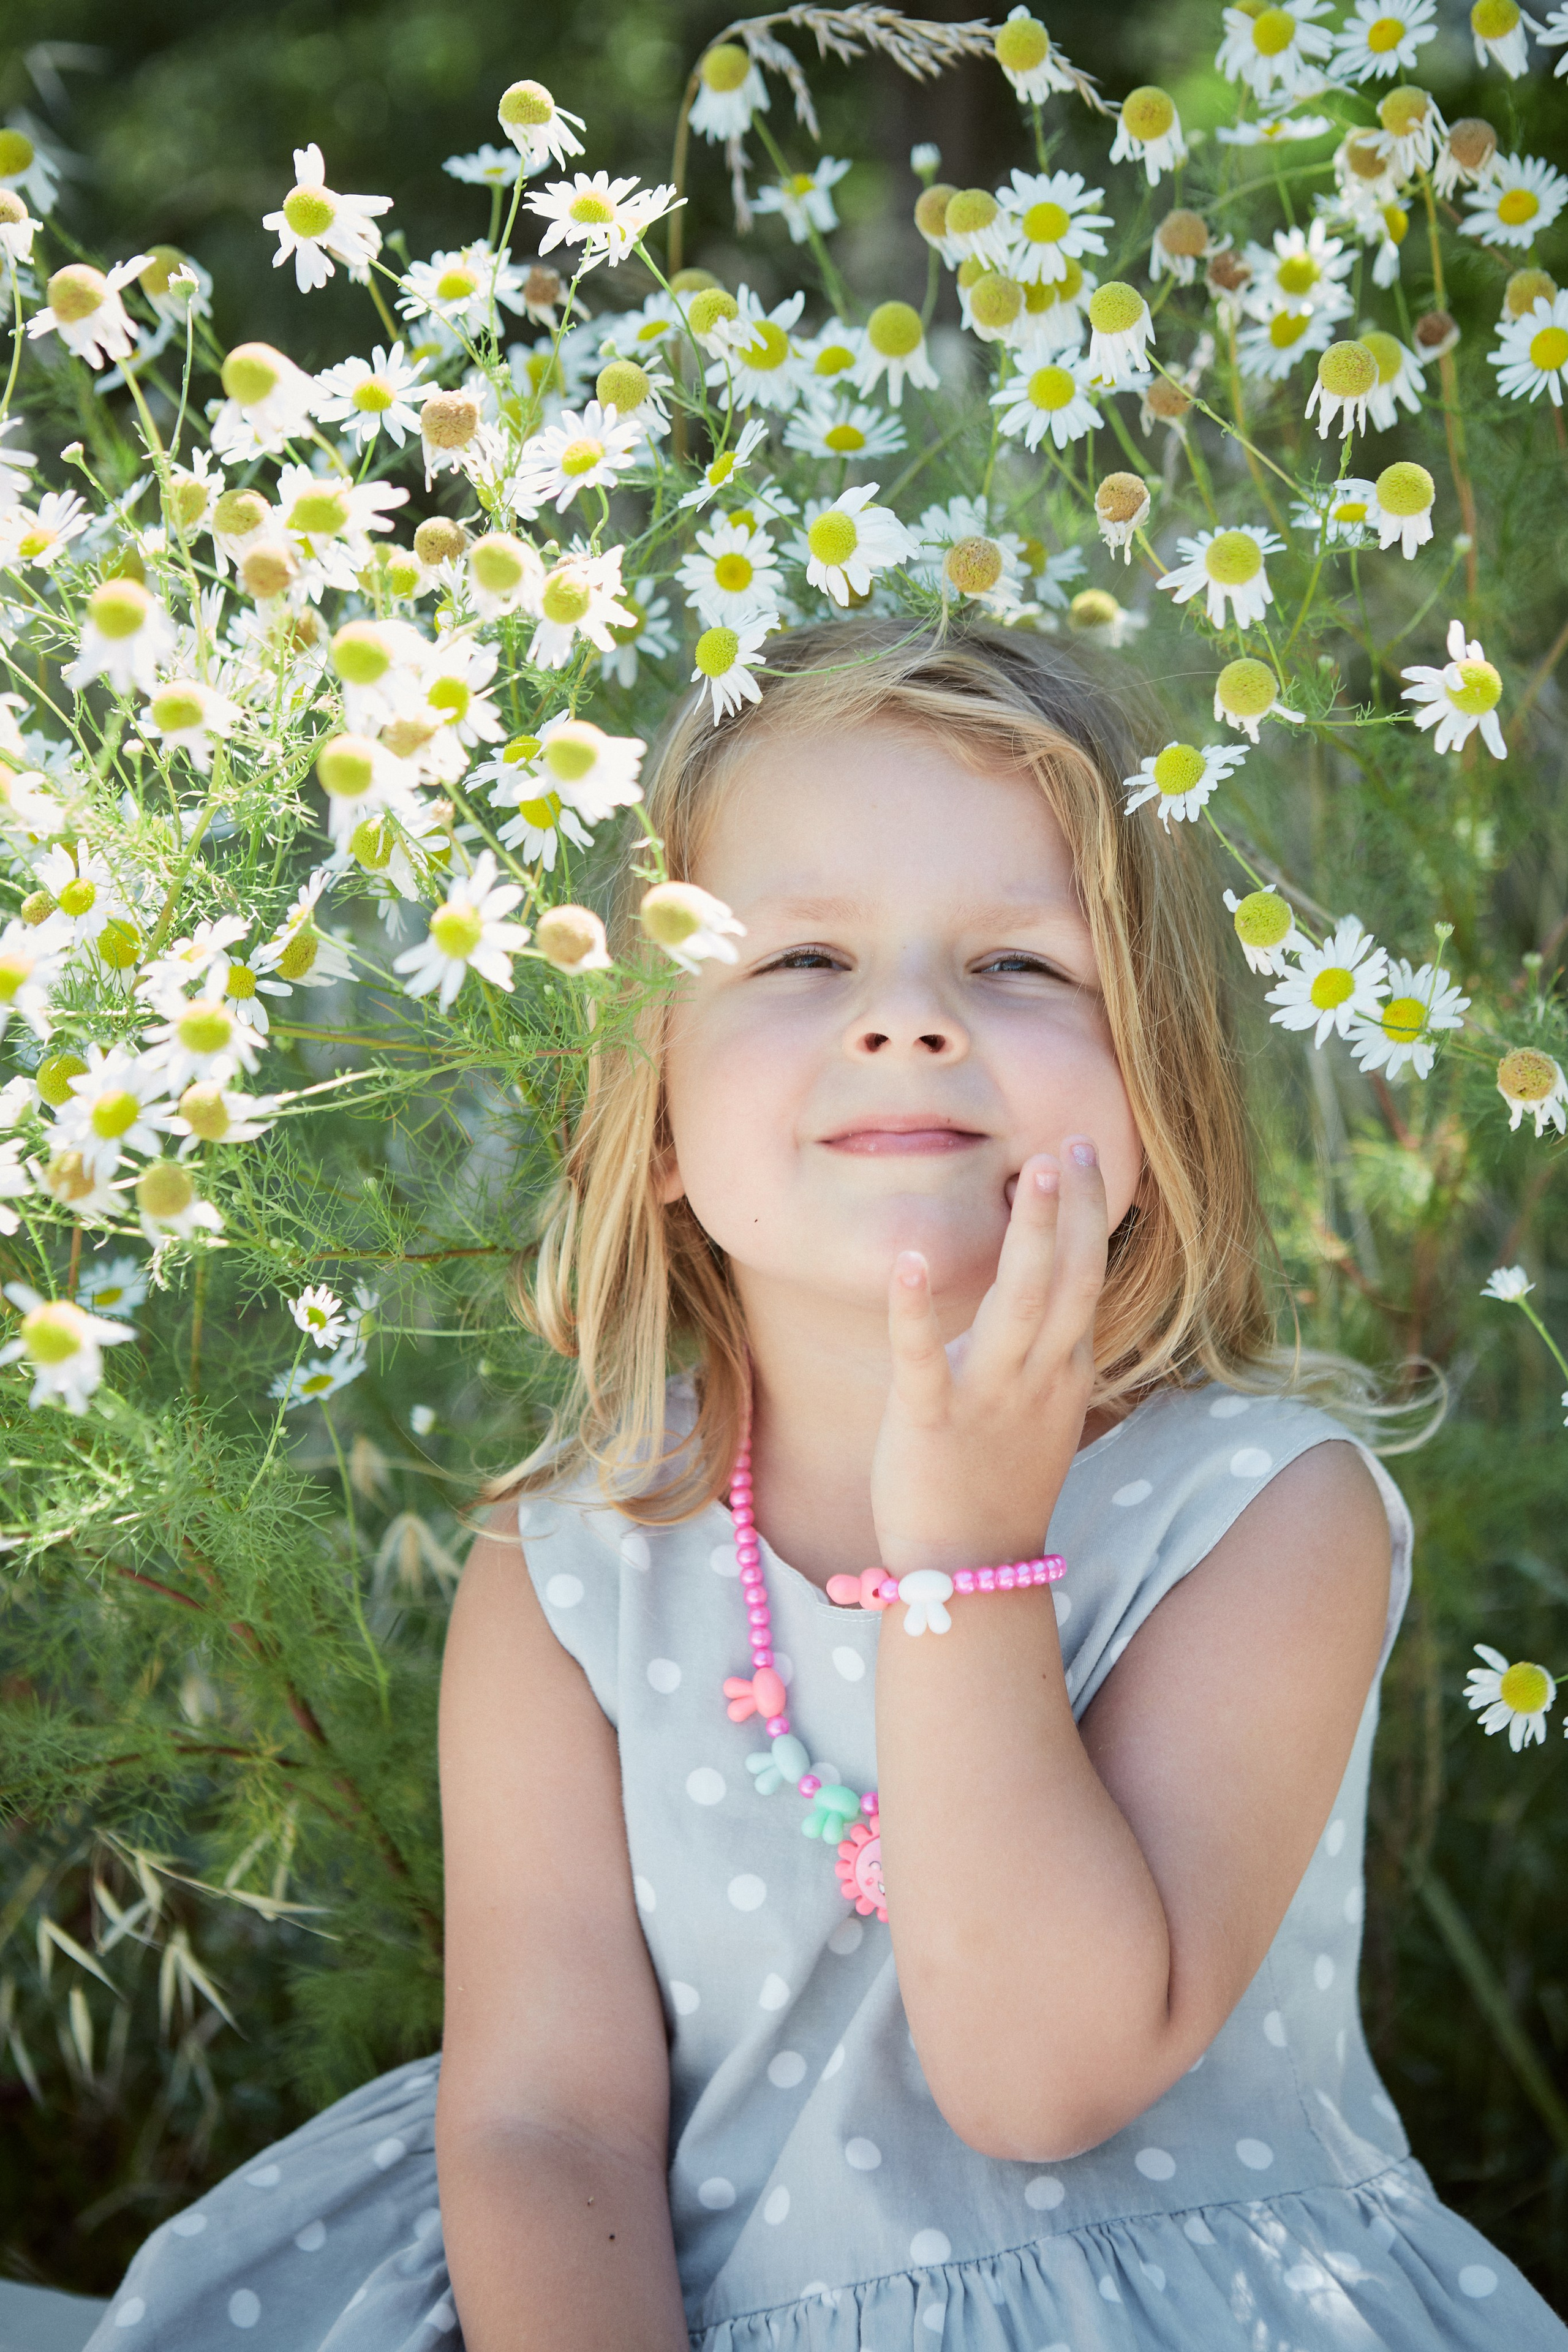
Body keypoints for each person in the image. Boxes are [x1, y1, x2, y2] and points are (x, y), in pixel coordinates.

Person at [82, 622, 1568, 2348]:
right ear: (652, 1117)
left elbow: (1041, 2079)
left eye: (1017, 962)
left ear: (1157, 1090)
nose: (910, 1020)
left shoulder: (1260, 1511)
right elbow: (545, 2123)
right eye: (800, 957)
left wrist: (966, 1553)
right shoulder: (573, 1565)